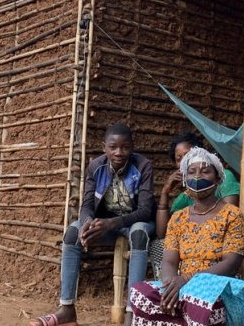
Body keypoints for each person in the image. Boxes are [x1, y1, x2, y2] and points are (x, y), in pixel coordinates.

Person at [33, 124, 155, 326]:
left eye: (125, 147)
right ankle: (67, 309)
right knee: (72, 233)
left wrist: (111, 223)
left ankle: (132, 313)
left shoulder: (143, 166)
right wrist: (88, 223)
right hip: (107, 224)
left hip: (135, 222)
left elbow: (144, 210)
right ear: (104, 147)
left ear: (132, 147)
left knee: (139, 233)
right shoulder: (95, 167)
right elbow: (87, 205)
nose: (119, 152)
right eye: (113, 147)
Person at [129, 147, 244, 326]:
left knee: (199, 304)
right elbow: (169, 261)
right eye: (191, 172)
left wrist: (185, 280)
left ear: (217, 179)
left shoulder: (232, 215)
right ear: (185, 180)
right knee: (140, 293)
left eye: (205, 171)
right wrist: (171, 286)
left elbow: (231, 264)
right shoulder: (178, 218)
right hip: (182, 287)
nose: (198, 176)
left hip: (218, 289)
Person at [152, 132, 240, 279]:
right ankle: (167, 292)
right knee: (158, 248)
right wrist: (165, 193)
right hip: (182, 276)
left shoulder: (225, 179)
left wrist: (187, 278)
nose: (183, 161)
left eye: (188, 154)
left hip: (214, 269)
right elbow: (163, 233)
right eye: (178, 159)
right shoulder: (185, 198)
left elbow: (226, 218)